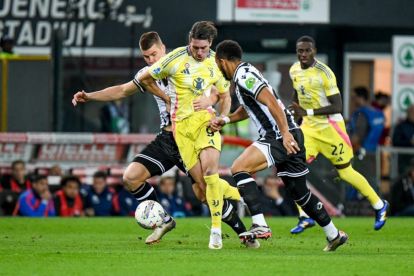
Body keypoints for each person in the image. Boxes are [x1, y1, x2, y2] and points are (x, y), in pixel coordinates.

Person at [72, 31, 250, 248]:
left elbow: (218, 92)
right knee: (131, 178)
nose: (150, 60)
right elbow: (121, 90)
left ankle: (243, 231)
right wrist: (90, 96)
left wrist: (210, 100)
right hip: (167, 138)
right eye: (146, 57)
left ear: (163, 48)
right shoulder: (149, 74)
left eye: (153, 54)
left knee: (204, 193)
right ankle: (164, 221)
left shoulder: (188, 62)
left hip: (193, 134)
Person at [211, 39, 348, 251]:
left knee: (239, 168)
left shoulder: (244, 76)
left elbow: (271, 102)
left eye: (217, 64)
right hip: (291, 134)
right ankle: (333, 234)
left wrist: (284, 134)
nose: (218, 70)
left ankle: (259, 224)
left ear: (222, 61)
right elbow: (249, 108)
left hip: (279, 136)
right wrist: (226, 119)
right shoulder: (243, 75)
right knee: (300, 195)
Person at [137, 22, 244, 250]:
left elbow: (225, 96)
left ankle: (218, 232)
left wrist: (221, 115)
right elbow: (145, 79)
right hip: (179, 132)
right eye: (195, 47)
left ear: (210, 44)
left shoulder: (216, 62)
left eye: (203, 48)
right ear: (189, 41)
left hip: (205, 123)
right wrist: (166, 98)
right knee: (203, 190)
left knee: (210, 173)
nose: (199, 52)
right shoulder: (174, 59)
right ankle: (247, 196)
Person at [288, 35, 389, 233]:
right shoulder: (294, 70)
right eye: (300, 51)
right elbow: (297, 95)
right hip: (309, 128)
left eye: (307, 50)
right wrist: (295, 116)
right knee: (293, 167)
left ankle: (379, 205)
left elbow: (338, 106)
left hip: (330, 127)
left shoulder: (325, 73)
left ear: (314, 51)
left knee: (345, 172)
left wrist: (306, 112)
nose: (303, 54)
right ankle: (305, 216)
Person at [348, 86, 385, 158]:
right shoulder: (378, 113)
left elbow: (357, 136)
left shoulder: (362, 114)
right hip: (374, 152)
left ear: (361, 97)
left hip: (359, 153)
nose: (352, 100)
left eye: (354, 97)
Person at [392, 104, 414, 174]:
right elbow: (395, 142)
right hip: (405, 162)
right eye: (411, 112)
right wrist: (409, 142)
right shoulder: (401, 126)